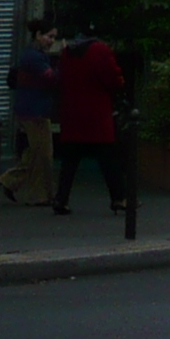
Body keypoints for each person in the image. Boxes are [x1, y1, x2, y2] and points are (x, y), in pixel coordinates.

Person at [49, 27, 129, 217]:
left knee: (69, 162)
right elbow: (113, 78)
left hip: (72, 112)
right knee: (108, 159)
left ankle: (61, 199)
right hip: (97, 113)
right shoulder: (99, 50)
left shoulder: (67, 52)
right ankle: (119, 198)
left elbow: (61, 79)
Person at [1, 20, 58, 207]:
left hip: (33, 109)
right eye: (49, 36)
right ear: (38, 34)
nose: (51, 41)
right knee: (43, 154)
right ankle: (39, 195)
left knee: (35, 151)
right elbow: (50, 78)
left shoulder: (33, 55)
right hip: (35, 111)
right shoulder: (34, 57)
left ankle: (10, 181)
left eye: (54, 38)